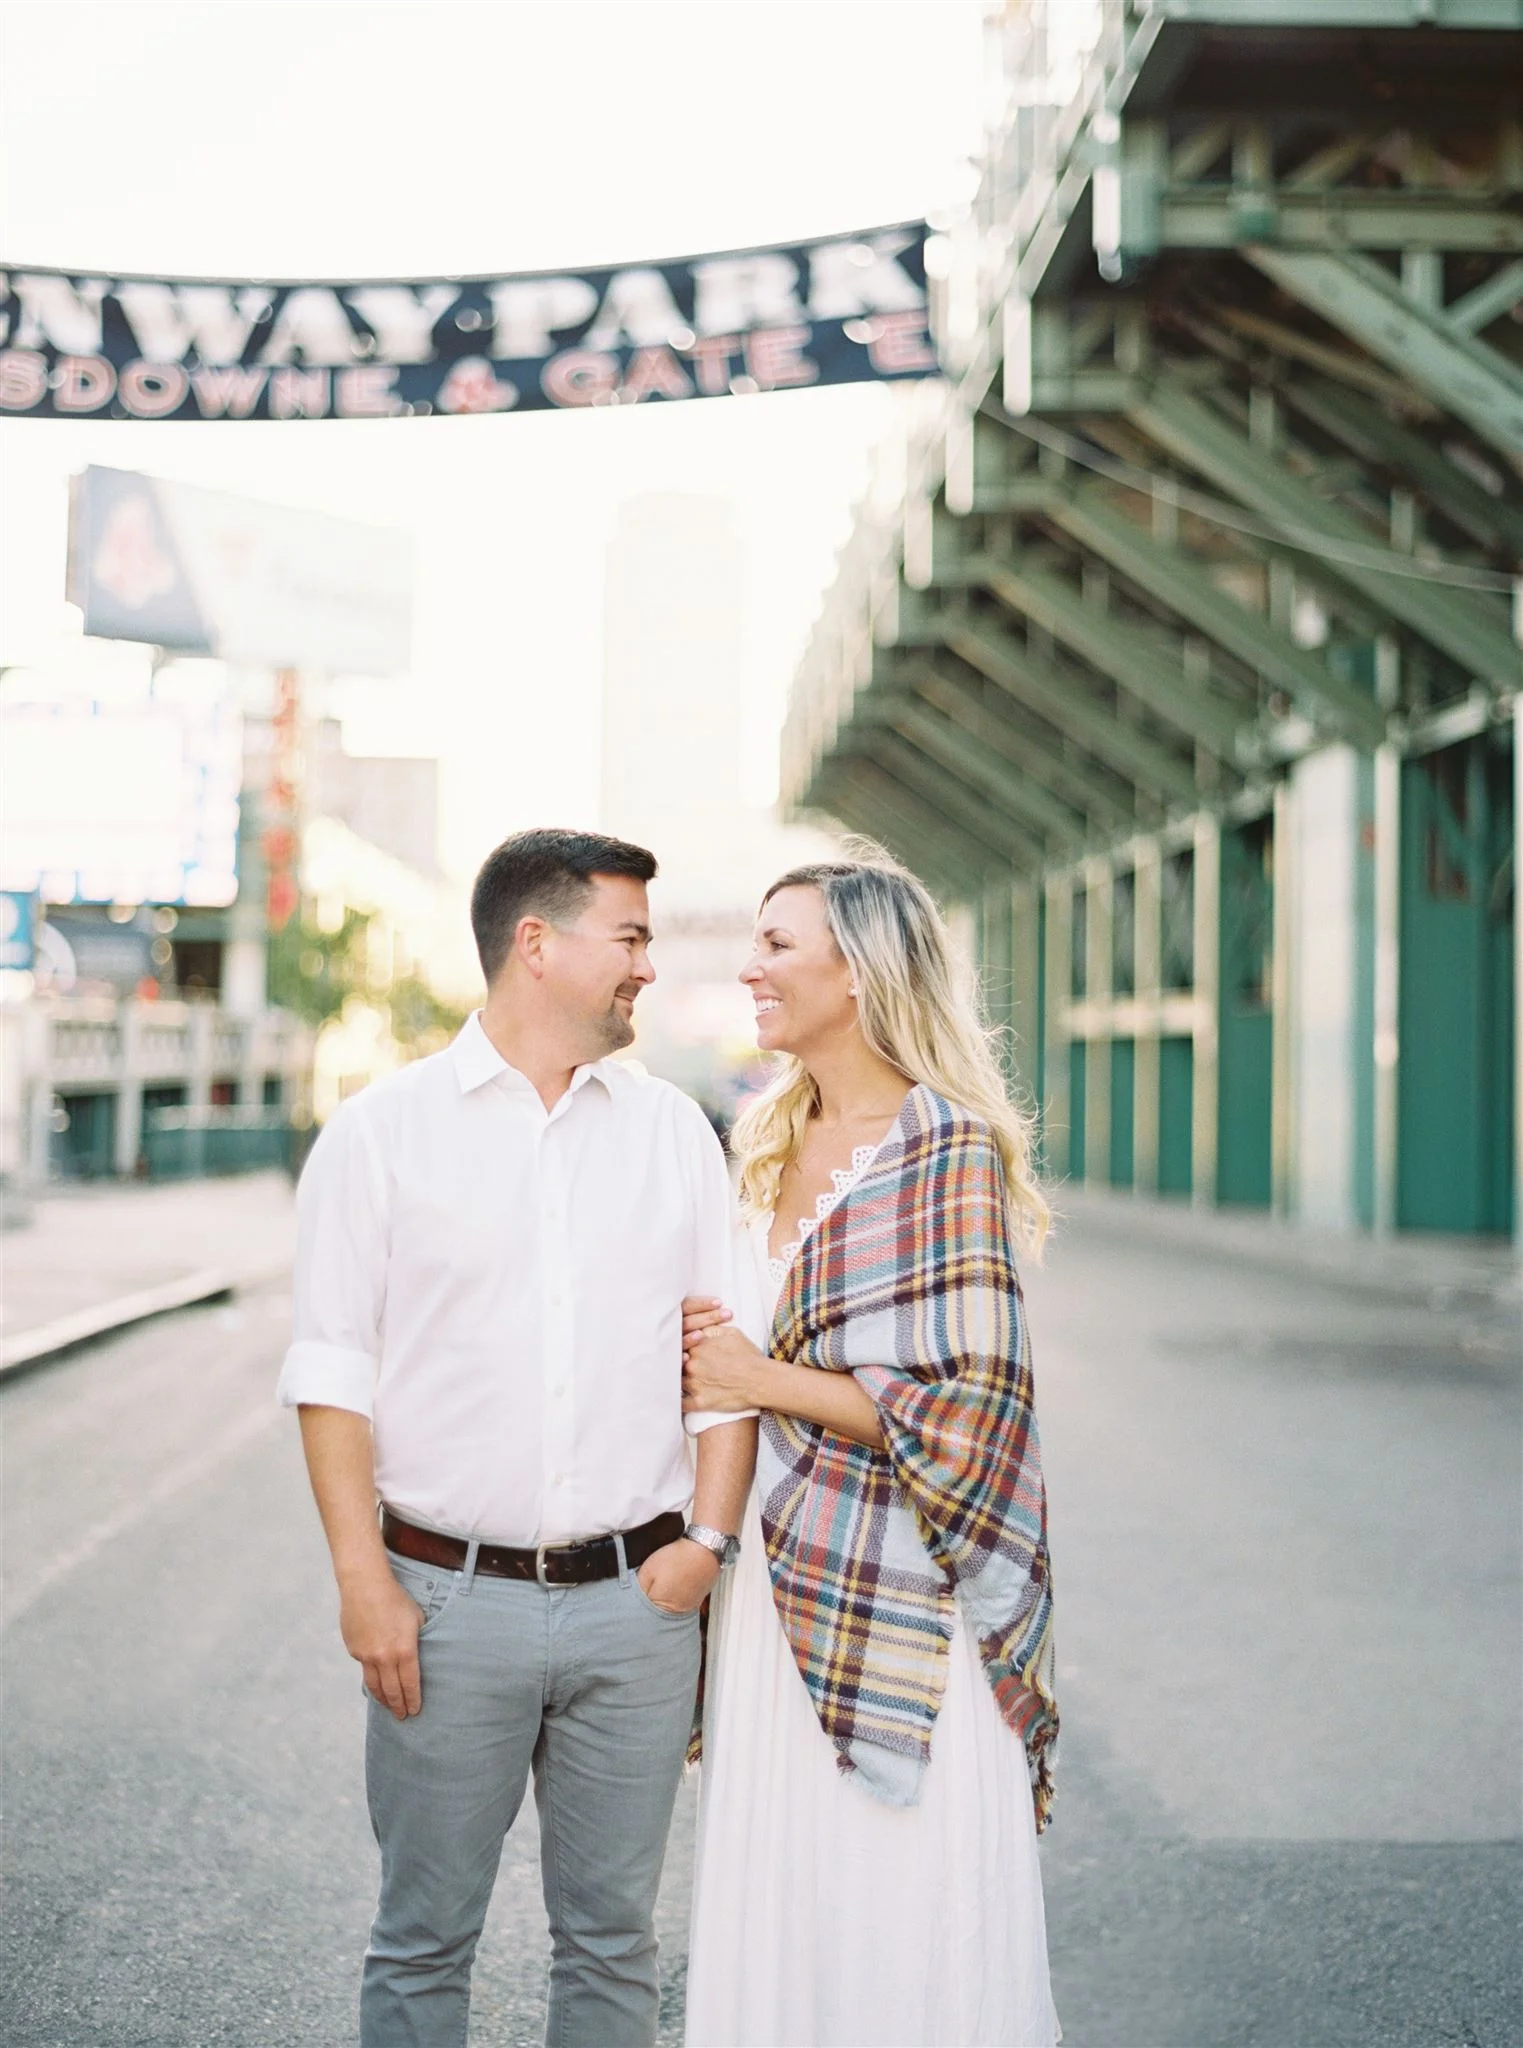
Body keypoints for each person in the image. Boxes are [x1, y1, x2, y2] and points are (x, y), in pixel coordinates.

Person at [278, 827, 754, 2048]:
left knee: (612, 1941)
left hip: (636, 1602)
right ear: (535, 943)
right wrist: (362, 1581)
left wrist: (702, 1546)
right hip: (443, 1601)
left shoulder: (671, 1138)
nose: (646, 964)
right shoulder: (379, 1136)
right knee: (423, 1937)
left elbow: (721, 1373)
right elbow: (333, 1373)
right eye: (630, 936)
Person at [680, 851, 1060, 2048]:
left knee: (893, 1889)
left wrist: (753, 1374)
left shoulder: (939, 1147)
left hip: (901, 1584)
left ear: (858, 971)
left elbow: (968, 1404)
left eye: (777, 945)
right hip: (770, 1585)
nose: (750, 966)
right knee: (785, 1877)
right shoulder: (765, 1135)